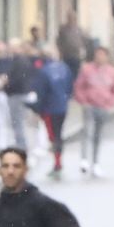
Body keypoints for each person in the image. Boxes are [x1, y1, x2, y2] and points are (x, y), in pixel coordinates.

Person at [71, 45, 114, 179]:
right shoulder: (87, 69)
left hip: (103, 106)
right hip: (89, 105)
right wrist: (83, 101)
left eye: (102, 55)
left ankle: (96, 162)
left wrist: (110, 103)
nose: (100, 57)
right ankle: (84, 160)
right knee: (87, 132)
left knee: (98, 135)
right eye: (98, 54)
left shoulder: (112, 72)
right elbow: (78, 86)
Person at [31, 50, 74, 179]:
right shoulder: (64, 68)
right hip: (62, 106)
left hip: (50, 108)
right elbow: (70, 87)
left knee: (53, 136)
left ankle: (57, 163)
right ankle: (58, 161)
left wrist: (37, 110)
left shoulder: (44, 72)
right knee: (58, 134)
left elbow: (41, 92)